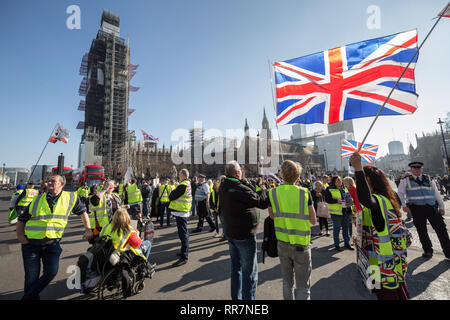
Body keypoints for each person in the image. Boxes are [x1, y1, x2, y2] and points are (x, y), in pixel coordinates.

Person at [15, 175, 93, 300]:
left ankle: (27, 297)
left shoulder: (70, 197)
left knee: (51, 272)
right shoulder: (37, 199)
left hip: (52, 244)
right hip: (31, 245)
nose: (49, 182)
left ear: (62, 184)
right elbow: (21, 220)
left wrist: (88, 229)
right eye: (48, 180)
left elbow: (83, 212)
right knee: (31, 277)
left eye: (53, 181)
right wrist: (21, 238)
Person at [350, 152, 410, 300]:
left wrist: (358, 169)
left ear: (368, 180)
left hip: (385, 264)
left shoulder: (378, 200)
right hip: (379, 261)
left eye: (363, 180)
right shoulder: (390, 197)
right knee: (379, 293)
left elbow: (364, 198)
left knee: (390, 295)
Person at [219, 161, 268, 300]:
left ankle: (236, 298)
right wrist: (262, 188)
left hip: (231, 233)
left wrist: (245, 182)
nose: (242, 171)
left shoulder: (224, 185)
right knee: (249, 273)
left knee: (236, 269)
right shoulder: (240, 188)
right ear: (237, 173)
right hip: (245, 235)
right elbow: (262, 202)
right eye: (240, 169)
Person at [268, 160, 316, 300]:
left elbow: (271, 216)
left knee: (287, 282)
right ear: (298, 176)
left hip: (282, 243)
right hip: (301, 244)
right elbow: (313, 220)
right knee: (302, 285)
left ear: (281, 175)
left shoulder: (273, 192)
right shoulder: (304, 193)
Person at [397, 161, 450, 260]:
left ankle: (448, 252)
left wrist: (442, 206)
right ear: (411, 169)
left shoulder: (428, 179)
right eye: (415, 168)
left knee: (442, 229)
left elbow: (436, 193)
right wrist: (404, 205)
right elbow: (400, 193)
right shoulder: (405, 180)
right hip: (417, 208)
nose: (417, 170)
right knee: (422, 231)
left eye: (419, 168)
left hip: (432, 207)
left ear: (421, 169)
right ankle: (428, 251)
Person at [168, 169, 192, 267]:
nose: (178, 175)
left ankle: (184, 256)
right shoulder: (187, 183)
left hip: (182, 212)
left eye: (179, 174)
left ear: (182, 175)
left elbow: (171, 196)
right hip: (182, 211)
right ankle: (183, 251)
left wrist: (172, 190)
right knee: (183, 233)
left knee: (183, 234)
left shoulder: (183, 184)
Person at [324, 176, 353, 251]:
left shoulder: (345, 188)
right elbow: (327, 199)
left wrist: (350, 201)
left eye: (340, 180)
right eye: (338, 180)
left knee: (346, 228)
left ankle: (347, 243)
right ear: (334, 181)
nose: (340, 181)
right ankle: (337, 245)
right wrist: (337, 201)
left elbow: (349, 198)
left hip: (346, 212)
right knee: (337, 228)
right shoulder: (329, 189)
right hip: (336, 213)